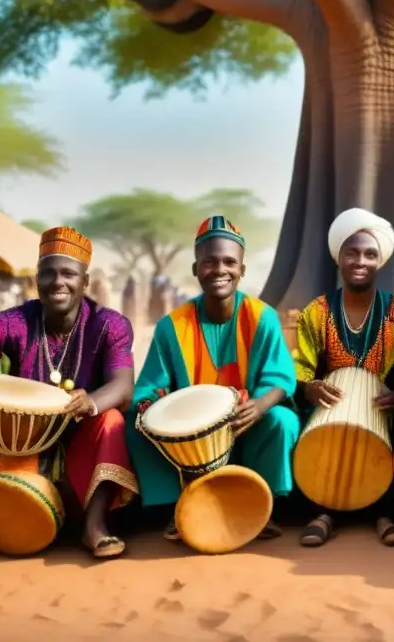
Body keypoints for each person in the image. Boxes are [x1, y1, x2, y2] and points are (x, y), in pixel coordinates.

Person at [0, 226, 139, 561]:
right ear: (37, 279)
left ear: (85, 281)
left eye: (68, 273)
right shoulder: (9, 323)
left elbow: (123, 386)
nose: (58, 282)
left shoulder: (110, 324)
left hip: (77, 444)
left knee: (110, 418)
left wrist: (92, 402)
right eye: (48, 273)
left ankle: (94, 525)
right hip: (14, 442)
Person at [127, 215, 298, 541]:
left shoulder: (263, 317)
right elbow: (149, 386)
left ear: (242, 270)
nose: (219, 270)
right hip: (189, 443)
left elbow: (280, 377)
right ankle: (178, 508)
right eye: (209, 262)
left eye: (229, 262)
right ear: (195, 269)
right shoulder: (172, 326)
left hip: (244, 428)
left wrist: (260, 405)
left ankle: (262, 504)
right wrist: (156, 407)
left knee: (282, 420)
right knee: (135, 426)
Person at [293, 208, 394, 548]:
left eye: (370, 254)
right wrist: (308, 388)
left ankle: (385, 512)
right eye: (351, 252)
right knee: (308, 430)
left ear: (380, 261)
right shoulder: (317, 312)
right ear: (339, 256)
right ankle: (323, 511)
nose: (360, 261)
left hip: (380, 408)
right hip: (330, 408)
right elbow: (301, 367)